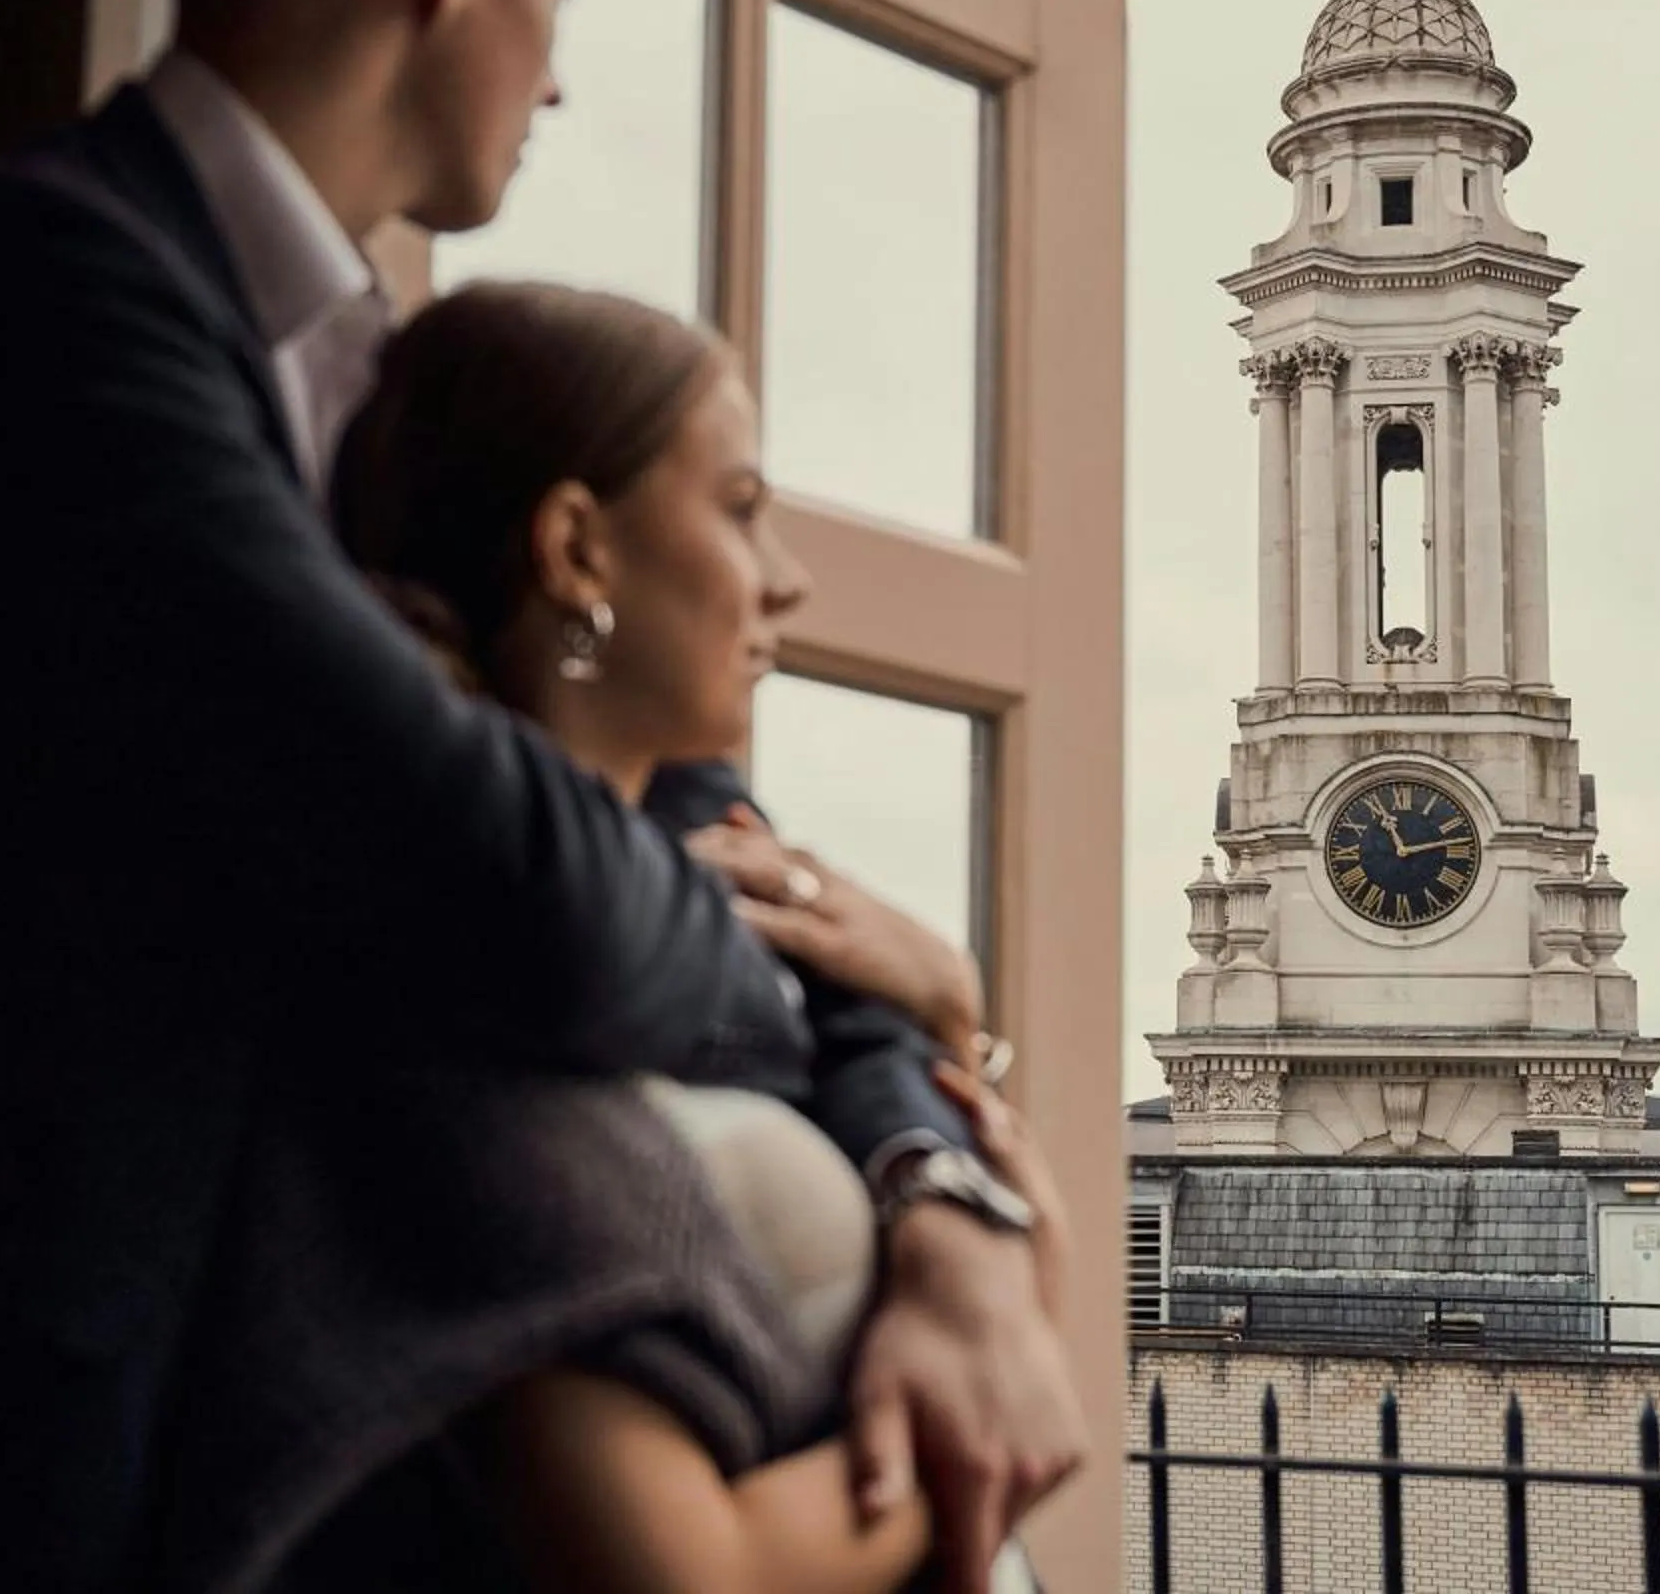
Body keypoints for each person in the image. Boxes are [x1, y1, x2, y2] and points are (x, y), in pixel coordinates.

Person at [0, 0, 1076, 1594]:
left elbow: (691, 837)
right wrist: (852, 974)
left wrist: (945, 1201)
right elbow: (510, 875)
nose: (567, 60)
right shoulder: (35, 303)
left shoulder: (385, 397)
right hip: (19, 1487)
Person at [151, 282, 1063, 1593]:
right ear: (578, 549)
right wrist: (1030, 1320)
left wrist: (953, 1074)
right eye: (742, 510)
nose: (790, 580)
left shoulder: (714, 893)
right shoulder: (477, 1013)